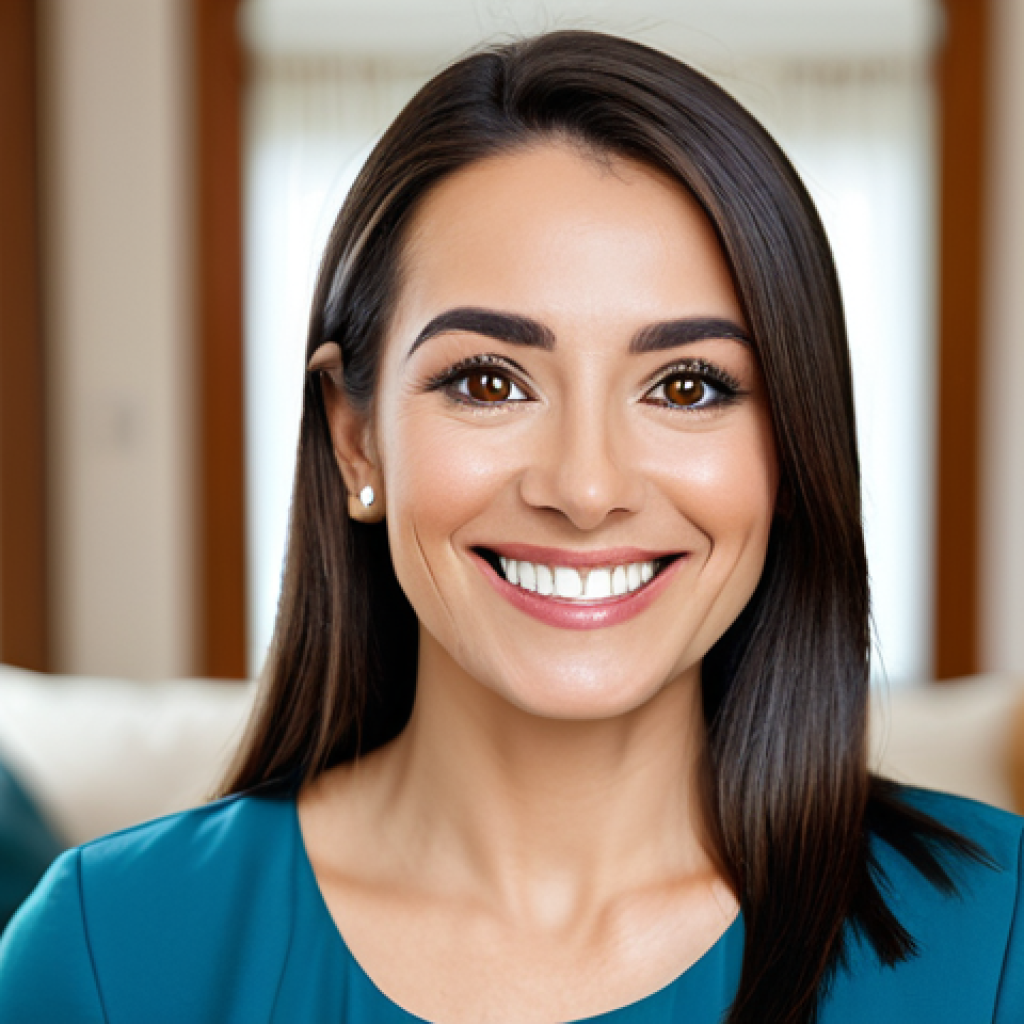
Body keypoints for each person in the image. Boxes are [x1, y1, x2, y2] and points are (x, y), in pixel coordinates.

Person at [0, 30, 1021, 1024]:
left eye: (687, 384)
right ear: (356, 442)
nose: (585, 487)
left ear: (793, 446)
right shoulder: (104, 948)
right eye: (488, 381)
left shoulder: (1000, 938)